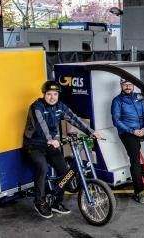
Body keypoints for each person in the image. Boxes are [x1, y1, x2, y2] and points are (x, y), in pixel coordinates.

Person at [23, 80, 101, 219]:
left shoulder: (60, 107)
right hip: (34, 145)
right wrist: (50, 139)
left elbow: (73, 118)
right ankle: (39, 202)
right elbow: (42, 124)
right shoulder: (37, 106)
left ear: (58, 95)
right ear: (44, 94)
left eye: (55, 94)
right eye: (49, 94)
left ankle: (56, 202)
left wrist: (90, 132)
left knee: (66, 172)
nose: (52, 97)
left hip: (51, 146)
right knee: (42, 168)